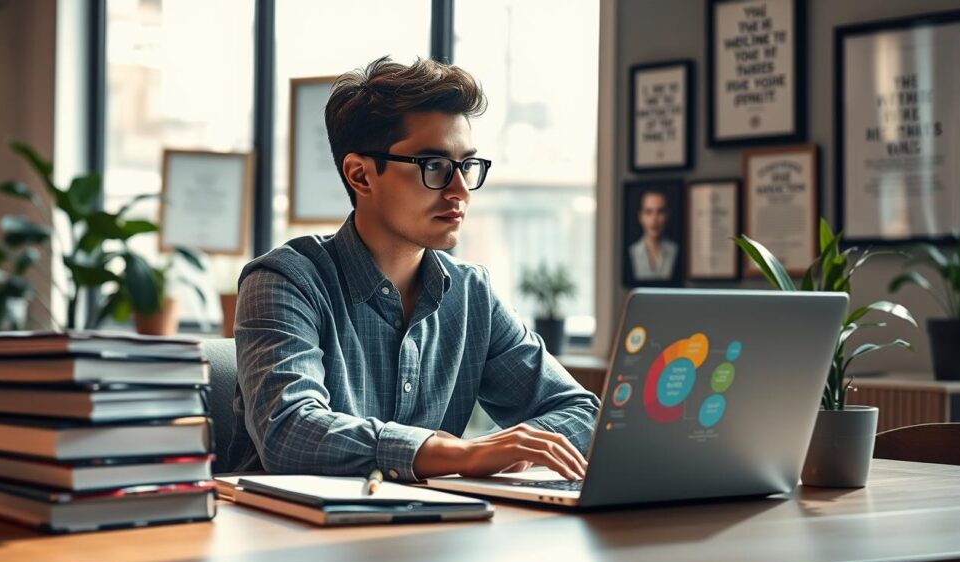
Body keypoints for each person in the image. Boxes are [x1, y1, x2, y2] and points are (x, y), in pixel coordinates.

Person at [228, 57, 600, 483]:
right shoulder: (284, 281)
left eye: (467, 166)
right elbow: (290, 432)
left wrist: (515, 446)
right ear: (360, 175)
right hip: (281, 537)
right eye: (434, 166)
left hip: (425, 533)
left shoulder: (470, 293)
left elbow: (581, 413)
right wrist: (456, 454)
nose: (460, 190)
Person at [629, 190, 677, 280]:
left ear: (667, 215)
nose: (654, 220)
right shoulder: (633, 251)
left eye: (660, 212)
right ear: (640, 216)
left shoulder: (674, 250)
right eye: (649, 212)